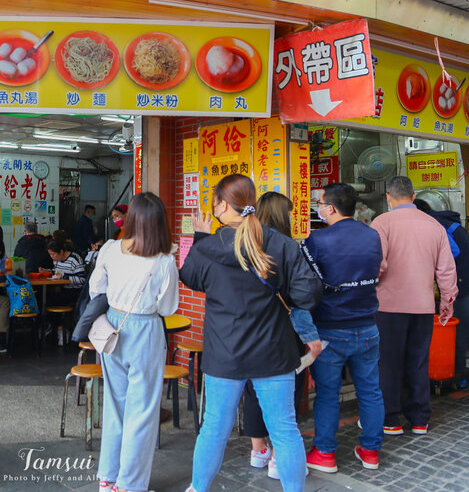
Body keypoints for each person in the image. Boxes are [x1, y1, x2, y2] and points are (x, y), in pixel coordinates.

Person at [180, 174, 321, 492]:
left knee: (214, 428)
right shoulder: (281, 244)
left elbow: (189, 278)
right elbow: (307, 295)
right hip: (273, 353)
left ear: (222, 205)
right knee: (285, 430)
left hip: (224, 355)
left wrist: (201, 238)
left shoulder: (208, 247)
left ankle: (199, 489)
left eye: (214, 201)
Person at [88, 192, 178, 492]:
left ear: (131, 219)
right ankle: (129, 486)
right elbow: (167, 309)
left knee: (115, 404)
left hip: (112, 327)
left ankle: (108, 478)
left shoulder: (111, 249)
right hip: (147, 331)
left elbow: (96, 289)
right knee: (142, 411)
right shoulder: (164, 260)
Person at [301, 183, 385, 472]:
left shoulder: (317, 240)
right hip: (368, 326)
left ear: (331, 208)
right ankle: (371, 451)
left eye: (320, 203)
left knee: (327, 393)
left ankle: (325, 453)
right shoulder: (372, 236)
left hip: (330, 329)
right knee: (371, 391)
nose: (318, 207)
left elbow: (306, 284)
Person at [244, 191, 322, 479]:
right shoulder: (289, 247)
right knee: (284, 393)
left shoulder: (245, 246)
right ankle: (278, 459)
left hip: (249, 331)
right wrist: (310, 334)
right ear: (282, 215)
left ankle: (258, 451)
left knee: (253, 388)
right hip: (282, 332)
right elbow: (301, 298)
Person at [371, 176, 456, 436]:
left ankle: (391, 419)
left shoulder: (381, 223)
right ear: (413, 194)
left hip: (388, 307)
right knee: (418, 361)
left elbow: (378, 263)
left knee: (389, 363)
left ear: (388, 196)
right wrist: (447, 300)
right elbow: (446, 269)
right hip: (422, 306)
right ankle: (419, 419)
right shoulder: (434, 225)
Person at [413, 198, 469, 389]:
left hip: (465, 283)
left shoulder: (434, 225)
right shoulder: (444, 220)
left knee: (456, 332)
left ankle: (458, 377)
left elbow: (453, 252)